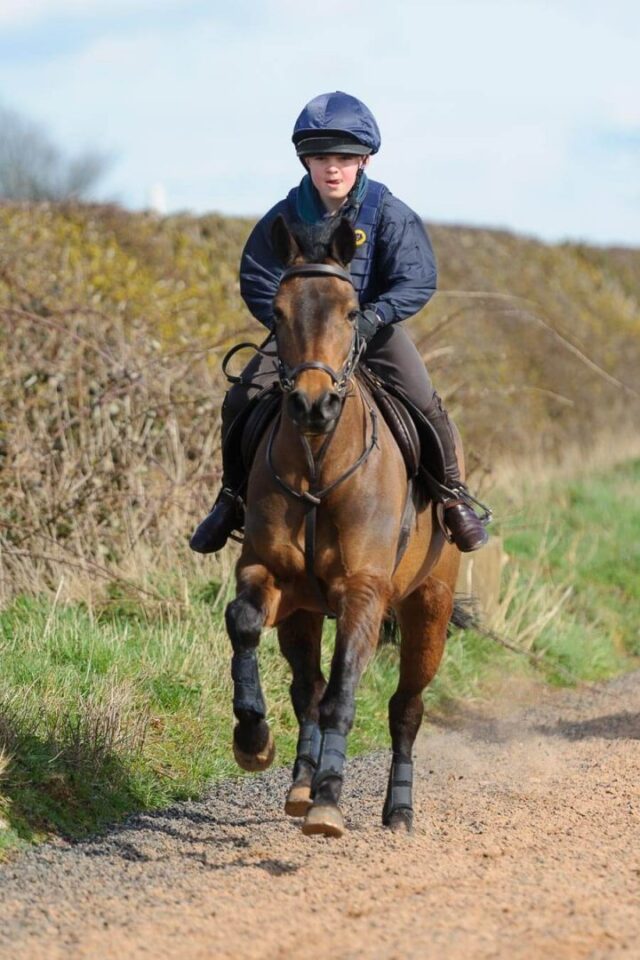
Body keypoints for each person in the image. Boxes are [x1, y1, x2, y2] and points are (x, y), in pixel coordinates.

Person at [190, 91, 488, 554]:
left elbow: (416, 277)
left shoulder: (389, 214)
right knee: (241, 398)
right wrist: (295, 323)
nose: (333, 168)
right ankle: (230, 499)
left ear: (364, 159)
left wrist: (372, 318)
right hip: (306, 340)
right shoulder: (284, 217)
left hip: (373, 329)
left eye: (344, 158)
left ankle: (451, 498)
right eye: (322, 157)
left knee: (422, 399)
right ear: (305, 161)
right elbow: (257, 276)